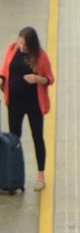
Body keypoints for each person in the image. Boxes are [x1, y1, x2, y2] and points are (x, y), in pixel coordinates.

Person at [0, 26, 54, 190]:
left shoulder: (40, 56)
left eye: (25, 43)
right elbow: (4, 69)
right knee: (14, 138)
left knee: (37, 137)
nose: (21, 46)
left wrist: (37, 78)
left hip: (33, 104)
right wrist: (1, 80)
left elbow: (49, 79)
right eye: (20, 41)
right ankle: (14, 174)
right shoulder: (12, 49)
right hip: (14, 103)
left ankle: (40, 175)